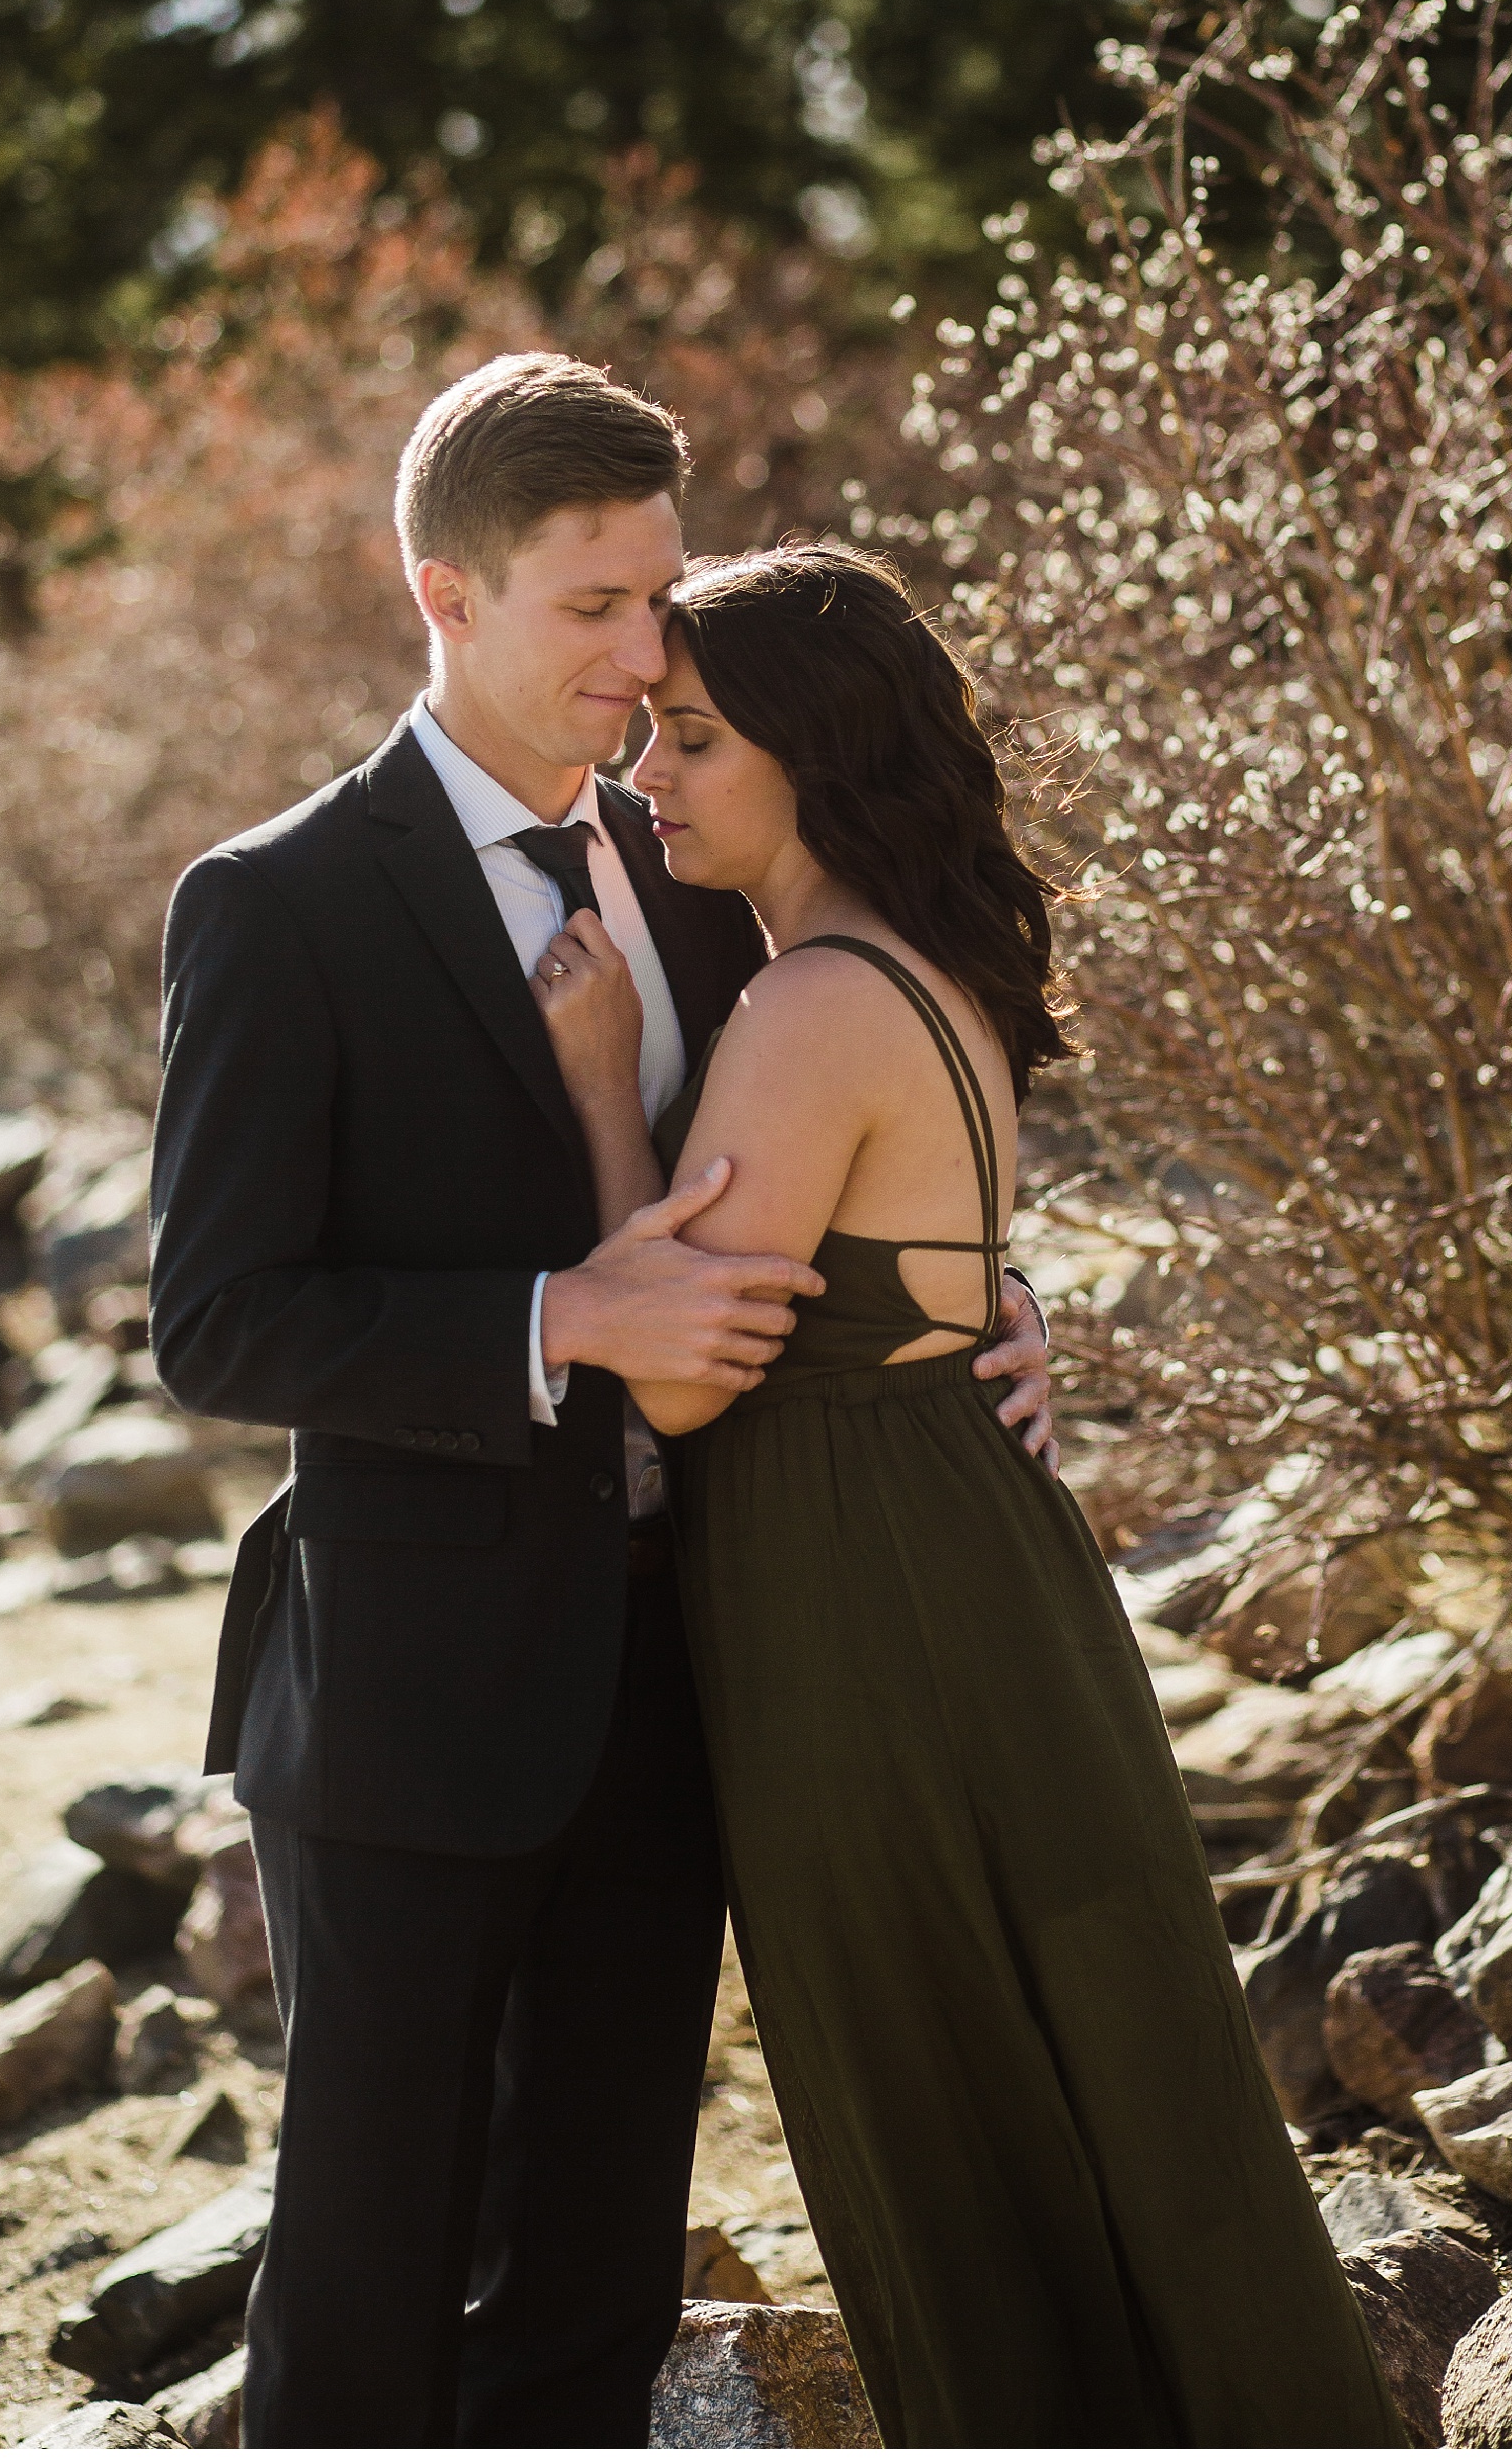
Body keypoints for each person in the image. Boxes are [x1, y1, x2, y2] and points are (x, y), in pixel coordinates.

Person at [148, 353, 1057, 2450]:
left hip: (684, 1677)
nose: (647, 660)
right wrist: (559, 1319)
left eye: (661, 600)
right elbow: (220, 1323)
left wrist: (986, 1293)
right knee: (369, 2274)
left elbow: (826, 1142)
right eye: (593, 610)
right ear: (443, 595)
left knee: (597, 2275)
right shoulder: (277, 905)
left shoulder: (693, 874)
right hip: (406, 1698)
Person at [528, 543, 1408, 2451]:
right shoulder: (913, 973)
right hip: (950, 1544)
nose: (648, 774)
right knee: (1088, 2037)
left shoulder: (809, 1004)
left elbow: (680, 1365)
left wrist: (605, 1085)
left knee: (928, 2052)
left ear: (817, 757)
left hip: (868, 1592)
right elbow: (917, 1271)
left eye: (690, 736)